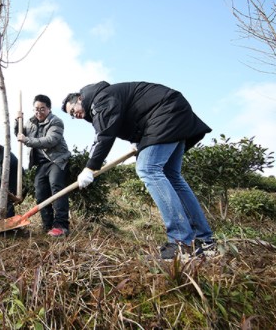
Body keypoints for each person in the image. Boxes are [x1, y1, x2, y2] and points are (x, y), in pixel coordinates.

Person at [61, 81, 215, 259]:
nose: (75, 115)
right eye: (72, 116)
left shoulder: (100, 99)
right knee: (171, 177)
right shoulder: (107, 98)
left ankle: (182, 243)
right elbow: (129, 119)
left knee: (148, 169)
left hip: (166, 114)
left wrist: (90, 167)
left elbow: (104, 135)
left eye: (73, 110)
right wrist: (137, 141)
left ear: (80, 98)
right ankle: (204, 241)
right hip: (175, 113)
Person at [16, 94, 71, 237]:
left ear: (49, 109)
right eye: (36, 109)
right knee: (40, 192)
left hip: (57, 160)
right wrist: (18, 122)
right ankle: (48, 226)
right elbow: (20, 134)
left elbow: (50, 140)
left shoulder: (56, 121)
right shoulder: (30, 122)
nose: (38, 112)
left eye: (42, 109)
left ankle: (61, 226)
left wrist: (27, 140)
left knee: (56, 187)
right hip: (42, 163)